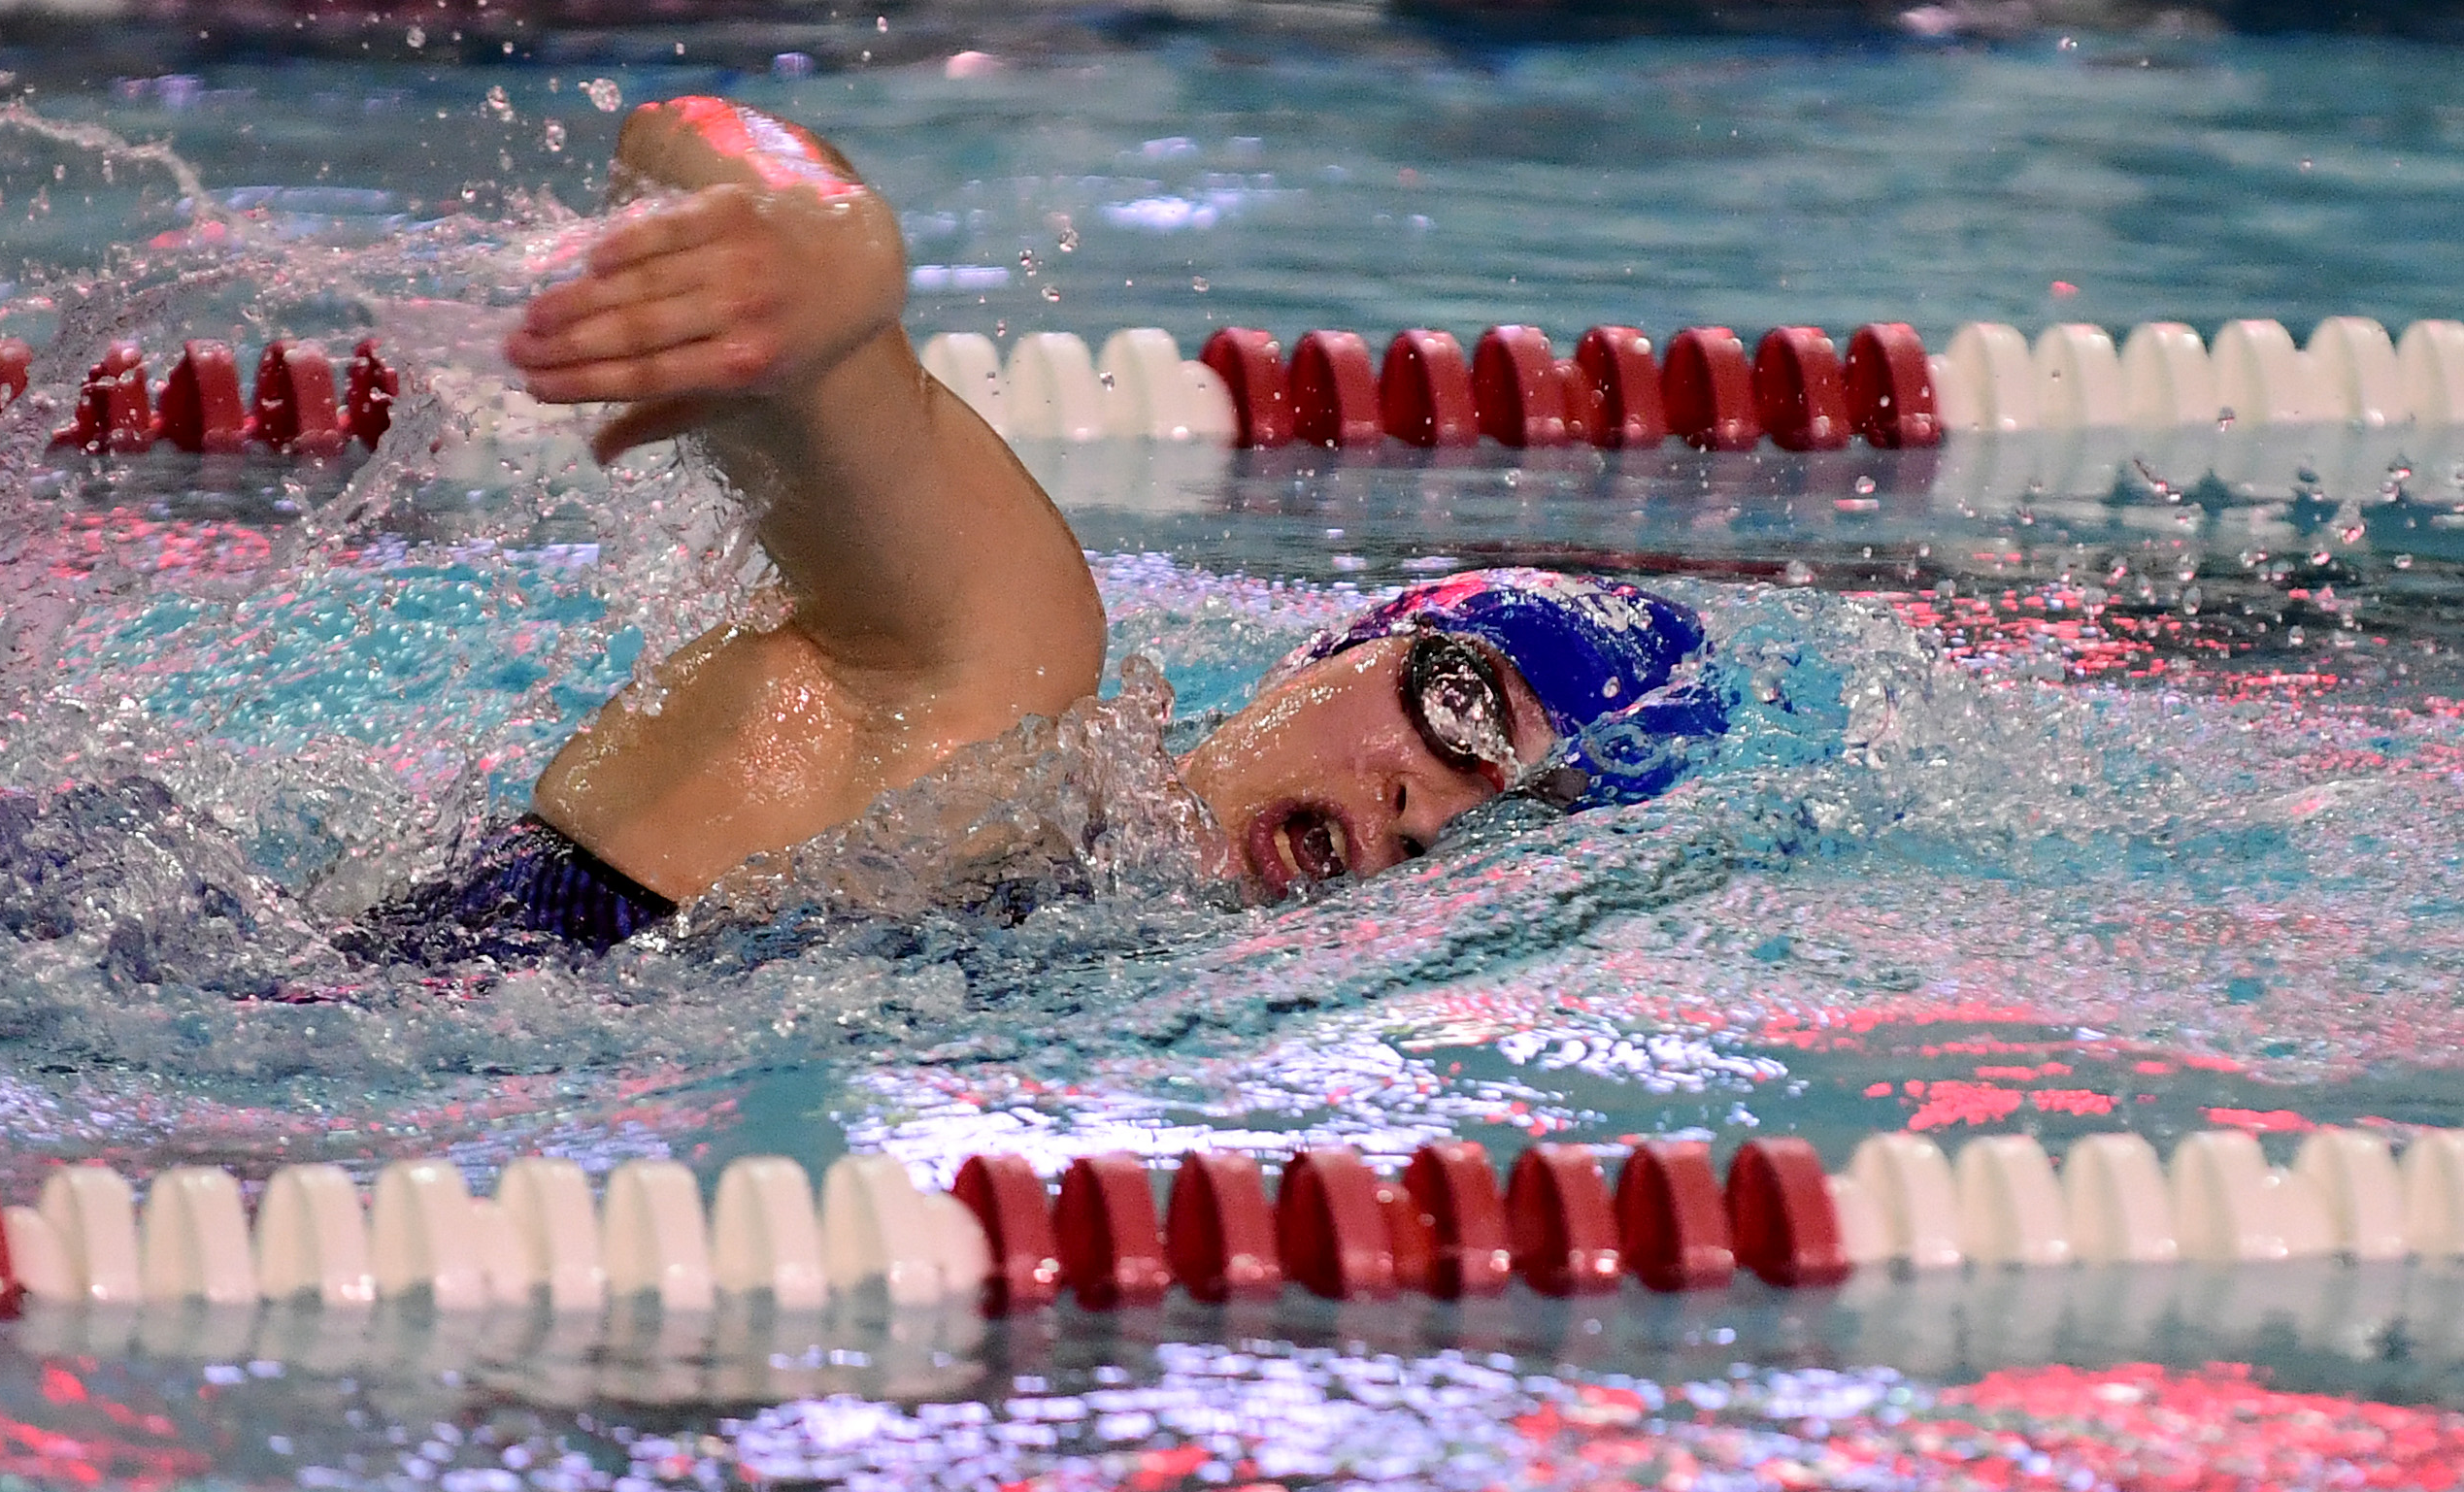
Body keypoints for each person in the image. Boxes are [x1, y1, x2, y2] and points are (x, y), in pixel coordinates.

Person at [340, 98, 1725, 963]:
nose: (1439, 816)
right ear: (1340, 646)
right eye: (1465, 715)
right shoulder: (995, 691)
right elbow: (693, 140)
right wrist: (824, 251)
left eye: (1518, 828)